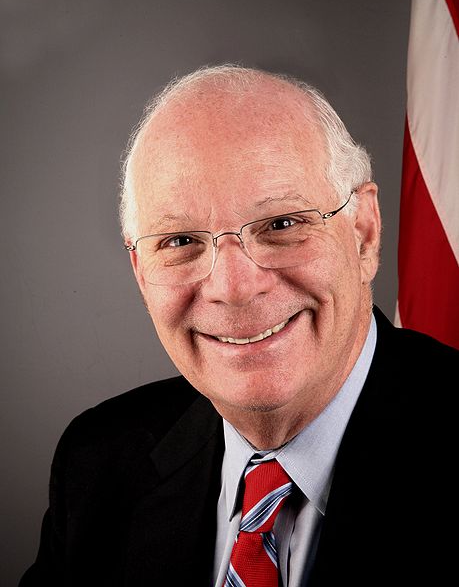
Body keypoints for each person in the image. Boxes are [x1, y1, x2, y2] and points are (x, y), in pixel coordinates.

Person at [20, 65, 457, 587]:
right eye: (180, 241)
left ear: (363, 234)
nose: (233, 287)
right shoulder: (99, 464)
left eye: (281, 224)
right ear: (140, 270)